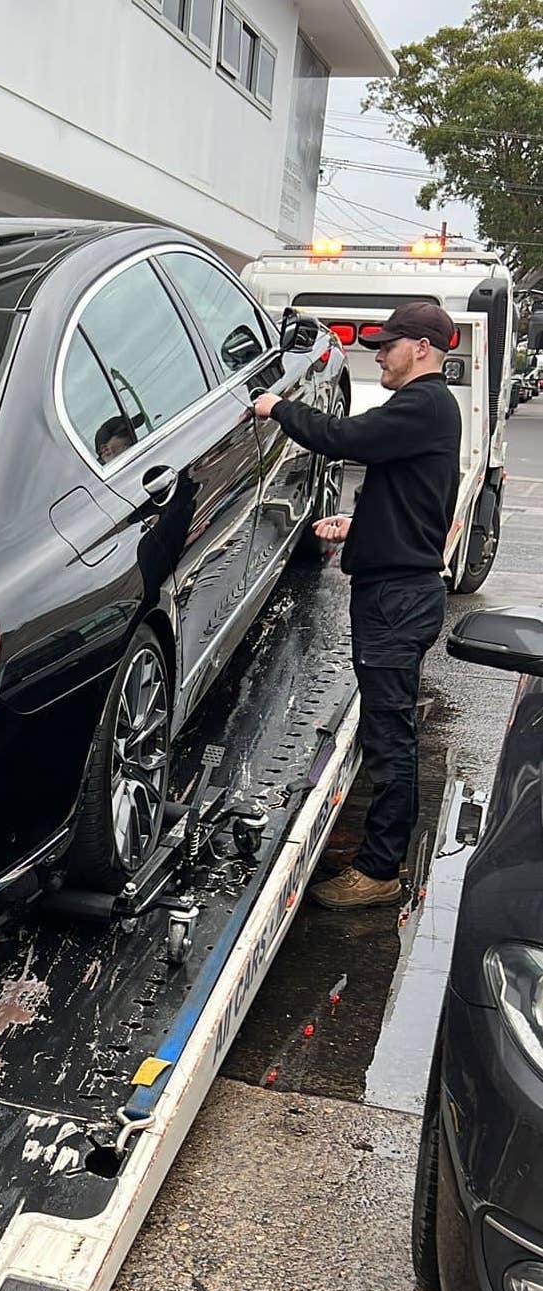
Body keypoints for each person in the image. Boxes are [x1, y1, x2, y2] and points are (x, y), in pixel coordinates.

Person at [253, 301, 462, 910]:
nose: (378, 355)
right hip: (398, 588)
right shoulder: (428, 410)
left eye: (387, 345)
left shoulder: (423, 404)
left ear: (421, 347)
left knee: (387, 734)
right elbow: (410, 491)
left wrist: (277, 407)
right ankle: (381, 856)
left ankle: (379, 871)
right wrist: (361, 522)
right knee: (386, 726)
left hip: (397, 599)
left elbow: (345, 438)